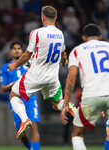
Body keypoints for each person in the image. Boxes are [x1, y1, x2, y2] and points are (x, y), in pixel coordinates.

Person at [61, 23, 109, 150]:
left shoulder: (77, 51)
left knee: (77, 135)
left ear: (83, 38)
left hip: (90, 96)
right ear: (100, 37)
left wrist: (65, 105)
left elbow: (71, 79)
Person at [8, 5, 72, 140]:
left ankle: (25, 120)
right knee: (56, 103)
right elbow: (64, 56)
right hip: (52, 77)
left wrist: (15, 65)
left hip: (36, 75)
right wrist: (63, 63)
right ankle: (67, 106)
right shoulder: (60, 34)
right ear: (55, 18)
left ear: (43, 18)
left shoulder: (36, 33)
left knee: (14, 95)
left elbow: (26, 55)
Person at [0, 41, 40, 150]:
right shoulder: (5, 67)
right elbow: (3, 88)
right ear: (10, 51)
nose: (17, 50)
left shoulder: (28, 63)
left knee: (34, 127)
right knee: (21, 133)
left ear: (22, 51)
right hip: (15, 100)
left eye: (19, 48)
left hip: (30, 99)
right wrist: (13, 84)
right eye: (14, 48)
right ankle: (31, 148)